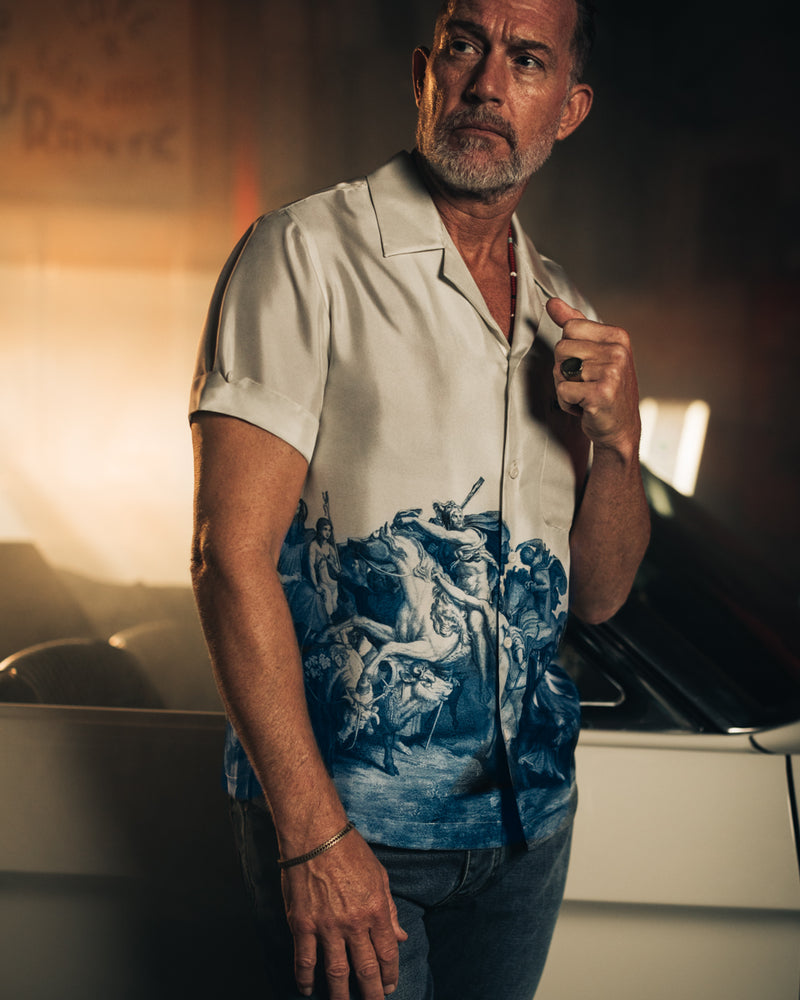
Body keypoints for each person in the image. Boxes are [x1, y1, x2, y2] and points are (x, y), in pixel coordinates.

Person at [189, 0, 650, 997]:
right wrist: (312, 834)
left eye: (526, 61)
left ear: (568, 109)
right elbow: (229, 558)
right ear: (422, 72)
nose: (486, 83)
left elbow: (598, 596)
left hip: (526, 833)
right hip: (353, 833)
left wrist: (619, 447)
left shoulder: (563, 310)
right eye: (464, 46)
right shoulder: (304, 252)